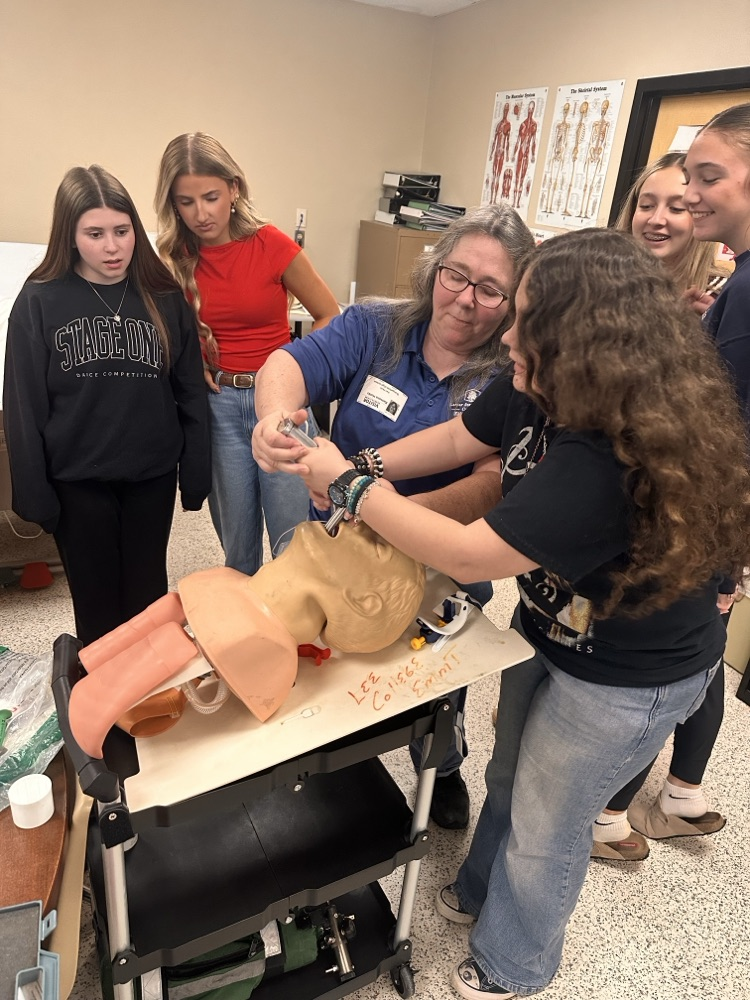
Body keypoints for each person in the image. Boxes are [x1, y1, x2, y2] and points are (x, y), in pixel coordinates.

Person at [288, 228, 750, 998]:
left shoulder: (610, 453)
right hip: (555, 628)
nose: (507, 334)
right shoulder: (535, 374)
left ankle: (515, 964)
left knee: (547, 821)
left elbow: (470, 556)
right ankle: (476, 895)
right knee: (509, 775)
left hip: (628, 674)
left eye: (525, 317)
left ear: (587, 342)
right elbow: (458, 434)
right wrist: (366, 463)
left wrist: (352, 492)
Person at [252, 203, 535, 829]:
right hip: (337, 548)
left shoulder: (514, 371)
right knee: (331, 675)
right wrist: (274, 418)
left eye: (491, 290)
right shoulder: (377, 327)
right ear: (434, 268)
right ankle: (328, 766)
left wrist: (379, 512)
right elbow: (288, 364)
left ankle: (443, 765)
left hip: (443, 567)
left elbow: (488, 485)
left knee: (435, 683)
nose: (465, 299)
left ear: (516, 303)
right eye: (455, 275)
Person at [589, 152, 732, 860]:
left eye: (679, 204)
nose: (660, 217)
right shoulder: (602, 289)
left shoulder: (717, 308)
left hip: (685, 527)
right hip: (609, 515)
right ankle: (611, 807)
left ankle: (674, 792)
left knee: (693, 655)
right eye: (648, 203)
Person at [3, 165, 210, 647]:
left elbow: (189, 391)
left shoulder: (162, 296)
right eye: (95, 234)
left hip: (150, 477)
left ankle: (145, 707)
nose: (112, 247)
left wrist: (196, 473)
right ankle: (104, 714)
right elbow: (22, 404)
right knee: (97, 612)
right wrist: (35, 495)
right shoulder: (39, 301)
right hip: (77, 482)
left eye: (123, 231)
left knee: (147, 606)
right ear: (70, 236)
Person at [67, 520, 426, 759]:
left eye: (375, 544)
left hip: (111, 730)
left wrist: (87, 724)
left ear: (364, 601)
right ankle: (89, 684)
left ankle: (88, 706)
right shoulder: (227, 582)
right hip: (237, 599)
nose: (353, 523)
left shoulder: (261, 646)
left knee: (171, 638)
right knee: (170, 615)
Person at [154, 132, 339, 576]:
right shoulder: (171, 257)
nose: (201, 214)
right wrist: (190, 364)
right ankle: (249, 639)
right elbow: (164, 330)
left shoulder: (271, 244)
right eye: (186, 202)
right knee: (237, 549)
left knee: (294, 545)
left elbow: (328, 315)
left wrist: (298, 375)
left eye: (211, 197)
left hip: (280, 408)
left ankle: (298, 639)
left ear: (234, 189)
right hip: (218, 409)